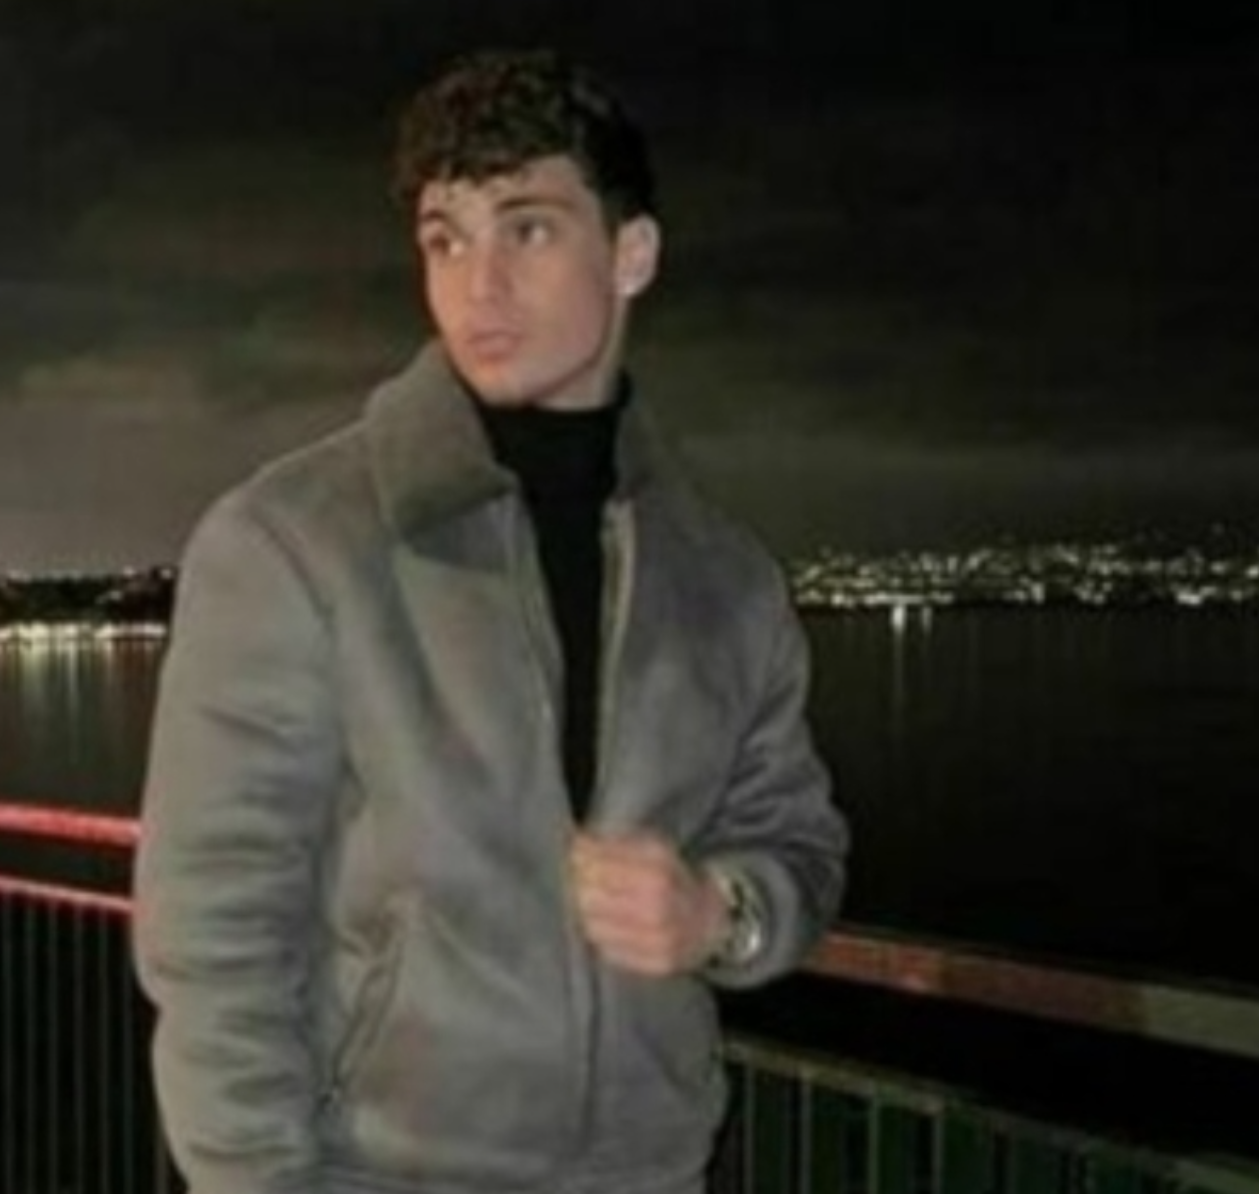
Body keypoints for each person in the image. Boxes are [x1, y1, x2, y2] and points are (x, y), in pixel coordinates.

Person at [133, 48, 848, 1194]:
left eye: (528, 229)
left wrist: (721, 916)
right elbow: (216, 938)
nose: (480, 284)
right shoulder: (294, 542)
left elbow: (796, 838)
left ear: (632, 254)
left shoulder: (725, 582)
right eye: (446, 239)